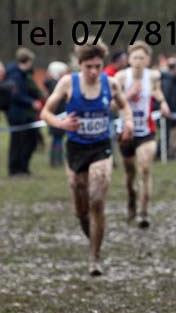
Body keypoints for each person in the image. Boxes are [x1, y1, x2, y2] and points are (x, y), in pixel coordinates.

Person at [41, 42, 134, 276]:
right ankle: (92, 237)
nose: (93, 72)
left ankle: (95, 258)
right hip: (75, 149)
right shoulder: (67, 83)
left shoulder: (110, 83)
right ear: (79, 65)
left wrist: (129, 123)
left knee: (97, 200)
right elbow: (45, 112)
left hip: (101, 147)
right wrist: (61, 123)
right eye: (89, 67)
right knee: (81, 210)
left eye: (98, 66)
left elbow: (124, 106)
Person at [115, 41, 170, 228]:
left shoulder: (154, 76)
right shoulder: (121, 77)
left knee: (145, 169)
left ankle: (144, 212)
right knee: (130, 176)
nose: (138, 61)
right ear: (129, 59)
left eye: (142, 57)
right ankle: (131, 198)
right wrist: (128, 95)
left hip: (146, 131)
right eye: (135, 57)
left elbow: (157, 91)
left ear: (148, 60)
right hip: (126, 132)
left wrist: (163, 103)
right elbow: (112, 106)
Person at [6, 47, 45, 177]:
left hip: (25, 114)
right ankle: (14, 170)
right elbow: (16, 95)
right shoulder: (16, 76)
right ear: (27, 61)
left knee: (27, 142)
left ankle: (23, 168)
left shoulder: (23, 75)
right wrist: (31, 102)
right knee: (17, 143)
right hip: (16, 115)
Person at [44, 61, 69, 168]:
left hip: (55, 114)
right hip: (58, 115)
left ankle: (55, 161)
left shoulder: (51, 83)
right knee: (58, 139)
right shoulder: (56, 84)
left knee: (56, 139)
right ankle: (57, 161)